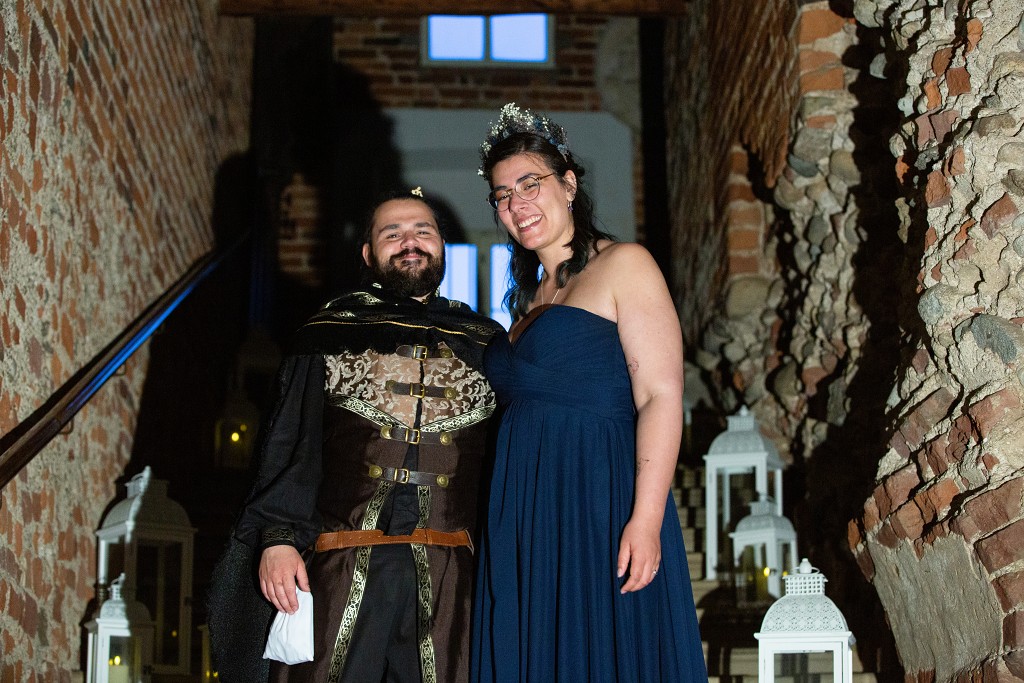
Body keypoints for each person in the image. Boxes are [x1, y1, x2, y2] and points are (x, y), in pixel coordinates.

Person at [211, 189, 504, 683]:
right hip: (341, 566)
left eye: (423, 231)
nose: (410, 242)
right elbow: (291, 445)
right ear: (368, 254)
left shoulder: (485, 342)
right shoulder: (328, 333)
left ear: (441, 246)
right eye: (393, 233)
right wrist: (277, 539)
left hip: (452, 578)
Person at [470, 104, 708, 681]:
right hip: (526, 509)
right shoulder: (528, 301)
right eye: (502, 195)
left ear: (569, 184)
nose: (517, 204)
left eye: (530, 184)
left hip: (599, 493)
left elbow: (659, 394)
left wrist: (645, 517)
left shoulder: (625, 263)